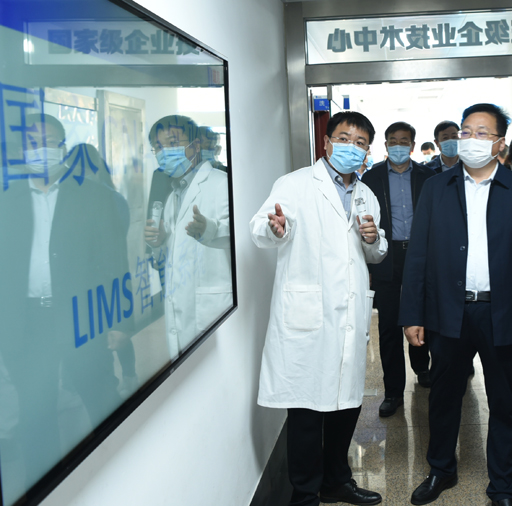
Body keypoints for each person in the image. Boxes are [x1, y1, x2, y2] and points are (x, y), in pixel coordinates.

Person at [399, 104, 512, 506]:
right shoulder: (436, 188)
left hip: (504, 311)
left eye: (482, 133)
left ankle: (504, 485)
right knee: (443, 397)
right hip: (447, 311)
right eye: (466, 131)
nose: (471, 139)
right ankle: (441, 469)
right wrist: (412, 314)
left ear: (500, 143)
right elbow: (417, 256)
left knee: (505, 403)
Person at [250, 111, 387, 506]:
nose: (351, 148)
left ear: (367, 151)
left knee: (347, 404)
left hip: (349, 315)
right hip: (307, 317)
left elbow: (375, 253)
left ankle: (336, 481)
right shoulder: (294, 184)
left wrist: (373, 239)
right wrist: (275, 229)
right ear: (326, 142)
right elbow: (262, 227)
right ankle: (305, 493)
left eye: (360, 143)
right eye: (343, 138)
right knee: (307, 410)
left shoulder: (366, 195)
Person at [0, 114, 129, 498]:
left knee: (100, 397)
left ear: (62, 148)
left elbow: (114, 261)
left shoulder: (93, 196)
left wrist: (120, 321)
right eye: (32, 142)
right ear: (23, 150)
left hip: (81, 315)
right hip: (29, 323)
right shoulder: (8, 200)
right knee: (35, 411)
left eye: (49, 141)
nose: (40, 149)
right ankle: (44, 491)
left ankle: (124, 473)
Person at [361, 122, 435, 417]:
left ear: (413, 146)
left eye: (404, 141)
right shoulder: (372, 177)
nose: (398, 146)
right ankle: (393, 391)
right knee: (390, 326)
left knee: (421, 316)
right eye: (393, 141)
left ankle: (422, 368)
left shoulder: (427, 177)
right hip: (386, 255)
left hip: (421, 255)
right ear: (385, 145)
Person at [144, 115, 232, 358]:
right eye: (158, 147)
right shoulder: (173, 195)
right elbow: (173, 256)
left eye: (173, 143)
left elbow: (239, 239)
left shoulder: (222, 184)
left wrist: (209, 229)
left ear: (195, 146)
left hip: (212, 310)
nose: (164, 152)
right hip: (182, 306)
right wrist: (159, 242)